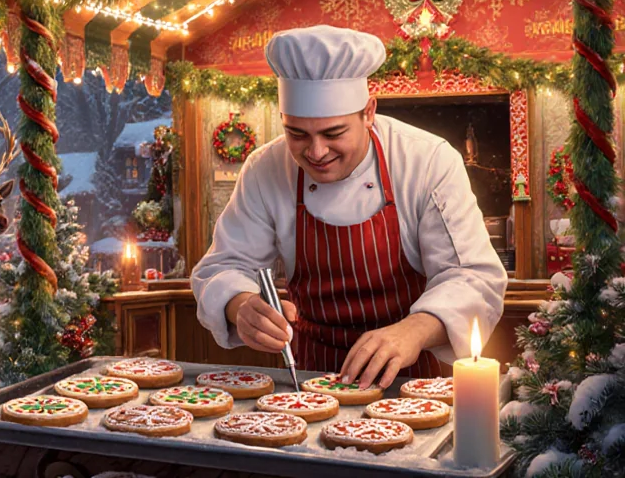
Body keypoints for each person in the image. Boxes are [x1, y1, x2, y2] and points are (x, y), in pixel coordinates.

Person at [191, 25, 507, 389]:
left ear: (368, 112)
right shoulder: (266, 168)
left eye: (333, 133)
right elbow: (224, 265)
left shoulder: (426, 160)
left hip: (412, 382)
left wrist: (414, 330)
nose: (316, 152)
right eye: (297, 134)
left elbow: (473, 277)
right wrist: (240, 303)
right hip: (310, 381)